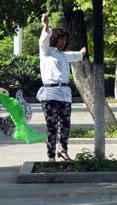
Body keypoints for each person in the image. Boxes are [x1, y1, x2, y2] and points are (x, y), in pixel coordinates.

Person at [36, 13, 86, 162]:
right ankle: (51, 156)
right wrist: (46, 26)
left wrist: (83, 52)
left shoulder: (64, 55)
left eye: (65, 39)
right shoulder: (46, 52)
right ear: (54, 39)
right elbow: (43, 40)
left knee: (65, 125)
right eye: (60, 39)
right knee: (52, 126)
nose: (63, 42)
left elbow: (78, 55)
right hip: (50, 94)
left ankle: (63, 150)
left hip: (65, 94)